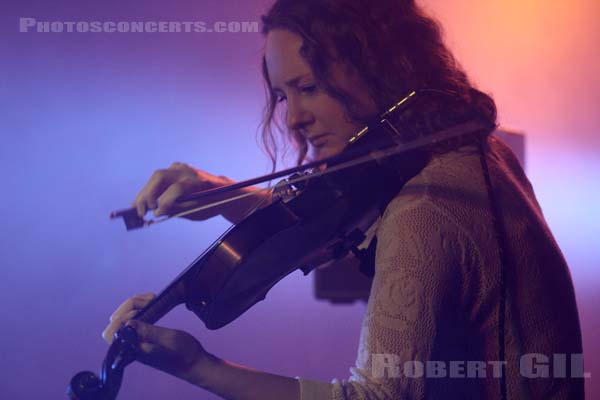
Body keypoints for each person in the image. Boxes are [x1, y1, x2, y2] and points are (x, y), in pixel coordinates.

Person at [102, 0, 585, 398]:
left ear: (378, 69)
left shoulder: (424, 209)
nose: (293, 119)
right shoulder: (475, 155)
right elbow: (329, 220)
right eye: (284, 96)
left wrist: (197, 367)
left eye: (308, 88)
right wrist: (220, 195)